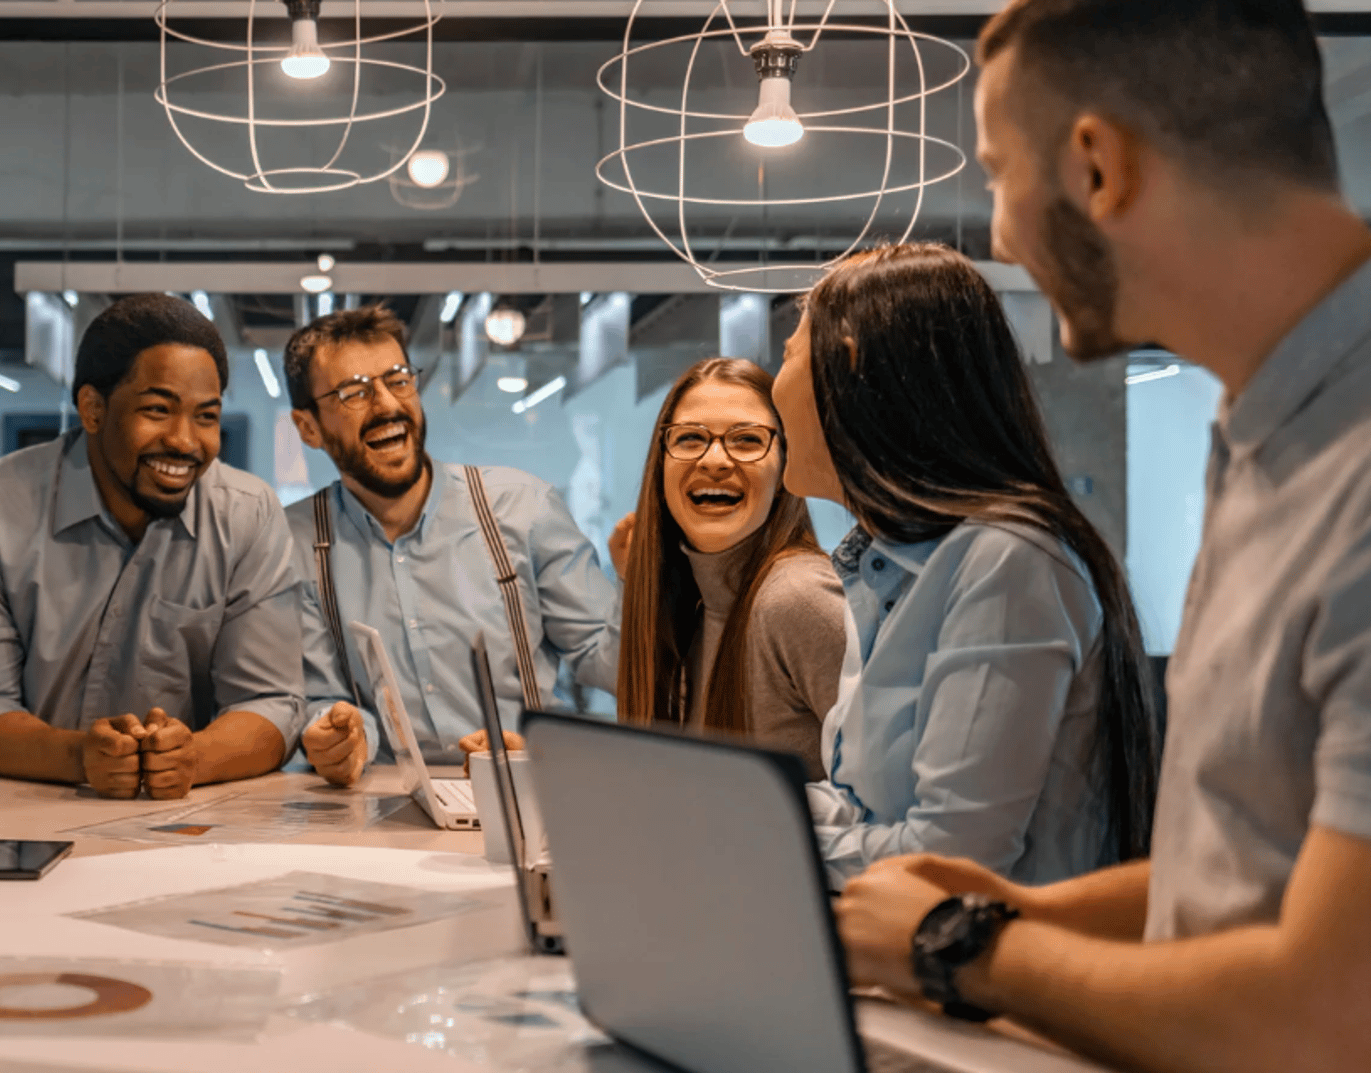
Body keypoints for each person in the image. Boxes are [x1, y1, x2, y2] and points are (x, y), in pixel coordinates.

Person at [833, 5, 1371, 1073]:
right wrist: (1015, 910)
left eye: (996, 172)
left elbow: (1328, 1017)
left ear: (1097, 166)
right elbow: (1248, 866)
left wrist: (963, 948)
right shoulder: (1269, 431)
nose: (997, 234)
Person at [771, 243, 1160, 889]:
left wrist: (758, 844)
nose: (771, 382)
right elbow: (867, 808)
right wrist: (739, 809)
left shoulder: (1008, 561)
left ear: (848, 367)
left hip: (1001, 982)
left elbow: (954, 859)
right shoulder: (888, 568)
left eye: (787, 353)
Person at [0, 293, 304, 799]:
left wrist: (193, 758)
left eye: (206, 416)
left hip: (188, 818)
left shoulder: (248, 514)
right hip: (22, 807)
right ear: (93, 409)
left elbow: (272, 701)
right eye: (157, 410)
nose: (185, 441)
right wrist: (80, 757)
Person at [284, 305, 620, 786]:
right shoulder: (294, 544)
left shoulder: (522, 508)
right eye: (354, 392)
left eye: (398, 380)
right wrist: (337, 737)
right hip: (382, 804)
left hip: (529, 786)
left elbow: (603, 658)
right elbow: (319, 697)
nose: (387, 405)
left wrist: (639, 582)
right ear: (309, 428)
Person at [610, 358, 846, 777]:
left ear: (783, 474)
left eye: (747, 440)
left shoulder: (797, 599)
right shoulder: (699, 604)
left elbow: (890, 796)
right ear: (660, 466)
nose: (714, 460)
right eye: (689, 438)